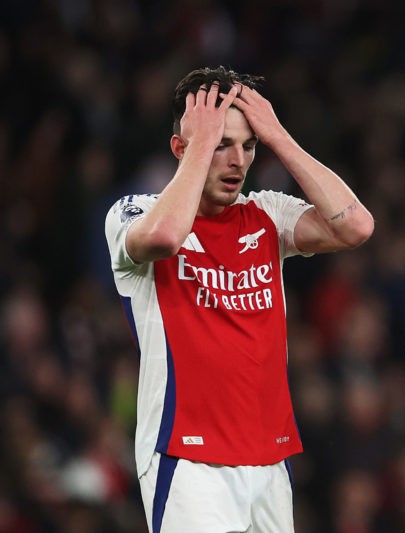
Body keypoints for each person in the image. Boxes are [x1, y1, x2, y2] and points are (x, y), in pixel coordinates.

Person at [105, 66, 373, 532]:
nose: (237, 161)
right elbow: (167, 237)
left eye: (247, 146)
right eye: (220, 144)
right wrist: (200, 143)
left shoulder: (266, 212)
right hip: (187, 459)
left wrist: (277, 136)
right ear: (180, 148)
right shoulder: (135, 213)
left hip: (270, 460)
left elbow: (356, 226)